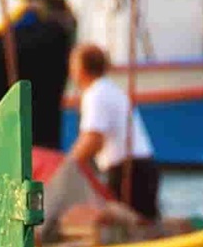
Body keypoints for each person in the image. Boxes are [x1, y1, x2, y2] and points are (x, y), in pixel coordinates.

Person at [67, 42, 160, 221]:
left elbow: (93, 140)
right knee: (145, 224)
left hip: (128, 172)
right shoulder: (110, 89)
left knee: (127, 226)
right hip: (142, 167)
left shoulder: (95, 94)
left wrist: (65, 168)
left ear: (80, 68)